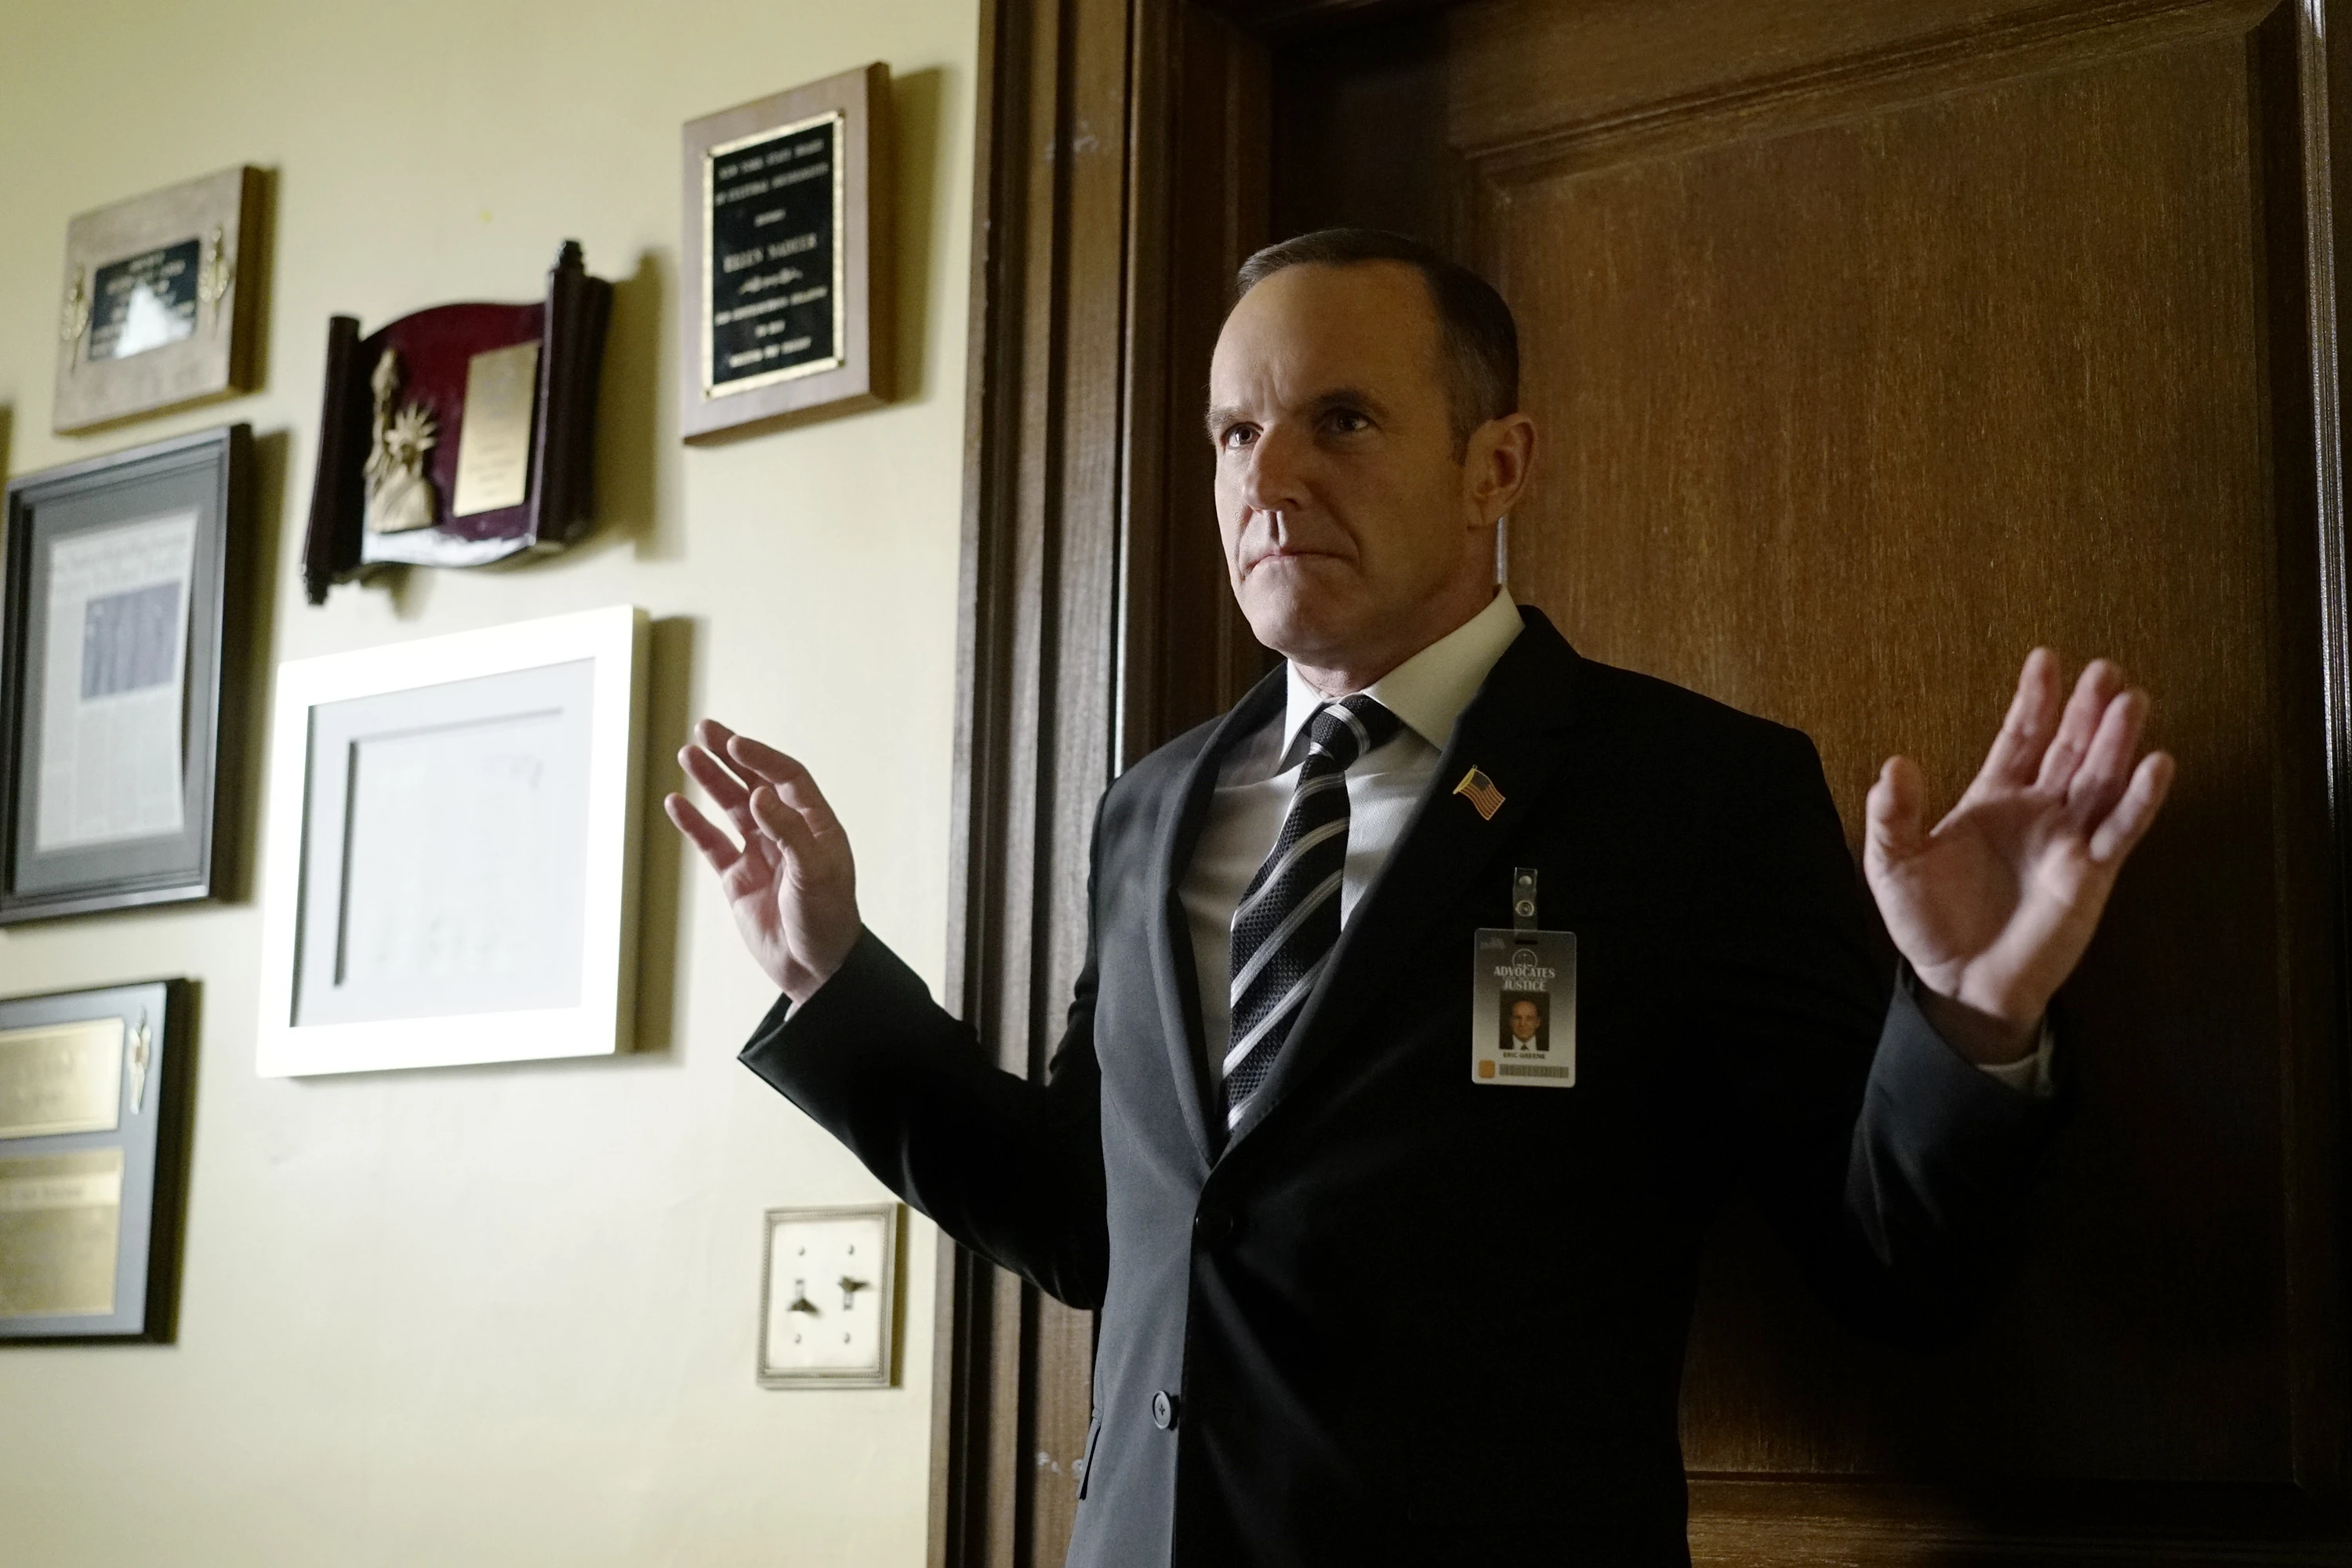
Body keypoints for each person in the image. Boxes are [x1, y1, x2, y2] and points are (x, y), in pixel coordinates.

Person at [666, 229, 2172, 1567]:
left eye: (1342, 420)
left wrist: (1968, 1022)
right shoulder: (1149, 812)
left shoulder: (1694, 794)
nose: (1268, 481)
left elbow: (1894, 1269)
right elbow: (1091, 1220)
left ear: (1495, 468)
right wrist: (836, 982)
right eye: (1235, 431)